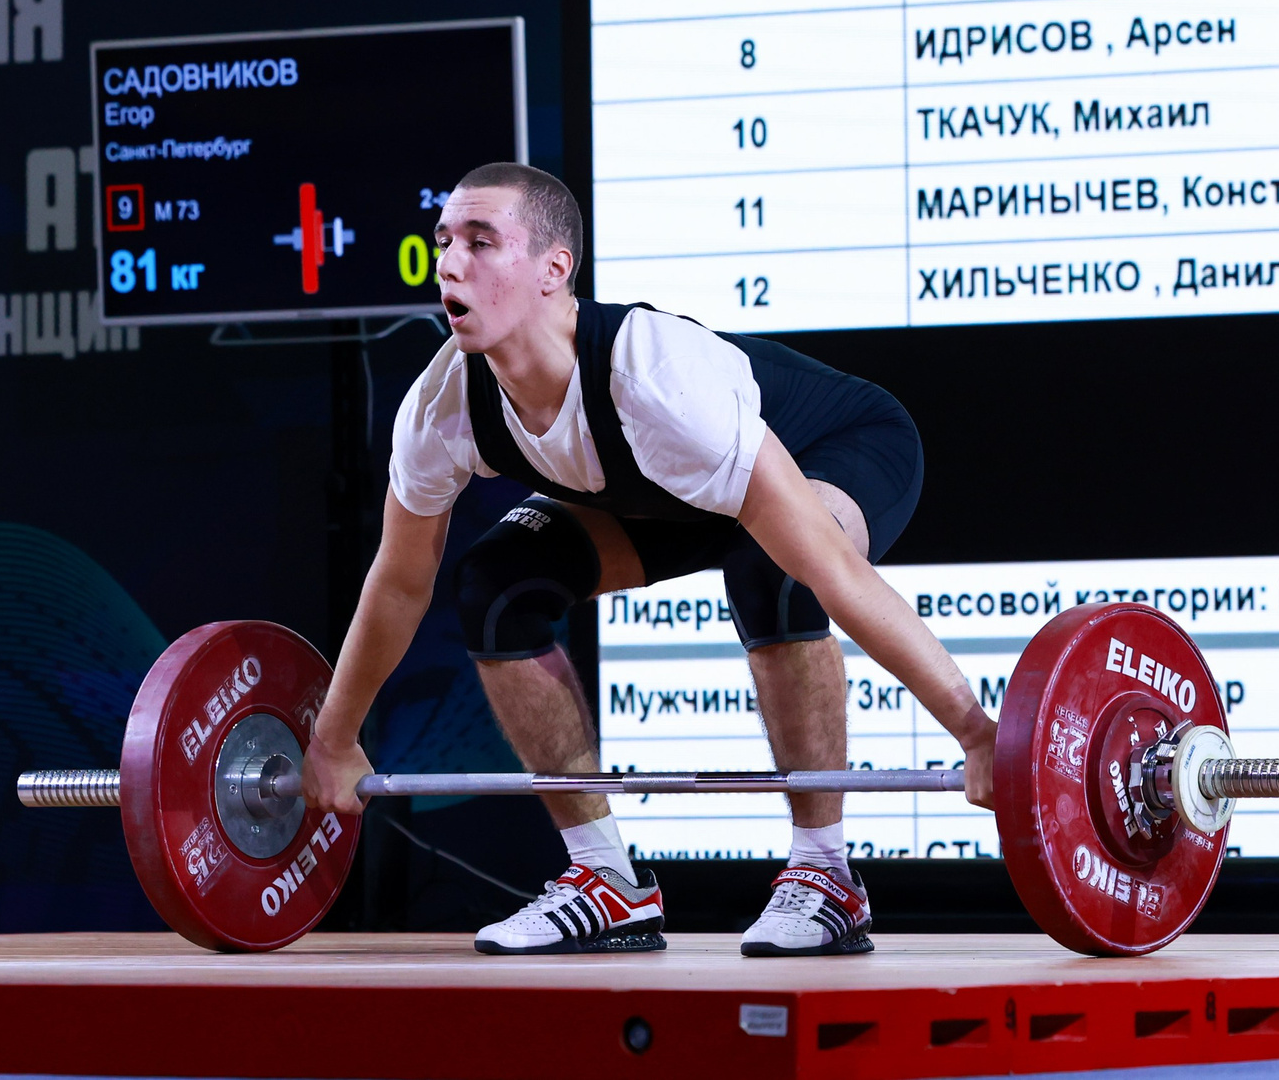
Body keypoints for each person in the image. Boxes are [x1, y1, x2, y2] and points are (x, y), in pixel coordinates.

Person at [300, 162, 995, 956]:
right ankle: (607, 880)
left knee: (775, 568)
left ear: (553, 271)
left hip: (834, 447)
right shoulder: (442, 403)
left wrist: (973, 730)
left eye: (480, 241)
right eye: (443, 242)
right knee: (496, 586)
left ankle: (827, 874)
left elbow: (836, 574)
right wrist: (333, 735)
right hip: (666, 494)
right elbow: (397, 582)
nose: (448, 263)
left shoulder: (657, 380)